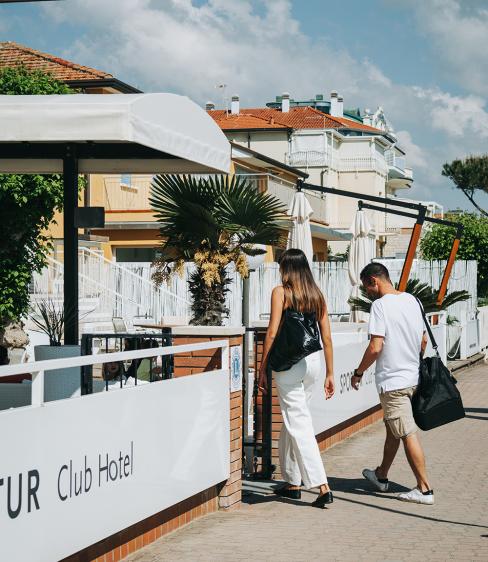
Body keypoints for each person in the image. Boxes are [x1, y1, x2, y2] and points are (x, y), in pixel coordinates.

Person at [351, 262, 434, 505]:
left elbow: (376, 347)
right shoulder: (412, 300)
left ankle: (425, 489)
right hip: (413, 378)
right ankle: (381, 476)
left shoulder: (380, 306)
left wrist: (358, 372)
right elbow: (423, 341)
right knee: (393, 430)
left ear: (373, 281)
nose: (367, 293)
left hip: (393, 383)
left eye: (367, 288)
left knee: (407, 433)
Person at [258, 249, 335, 508]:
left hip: (289, 364)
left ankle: (321, 485)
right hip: (313, 363)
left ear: (286, 269)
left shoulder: (281, 292)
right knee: (292, 420)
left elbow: (271, 332)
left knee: (299, 424)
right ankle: (292, 481)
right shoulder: (317, 296)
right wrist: (330, 373)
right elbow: (326, 338)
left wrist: (262, 368)